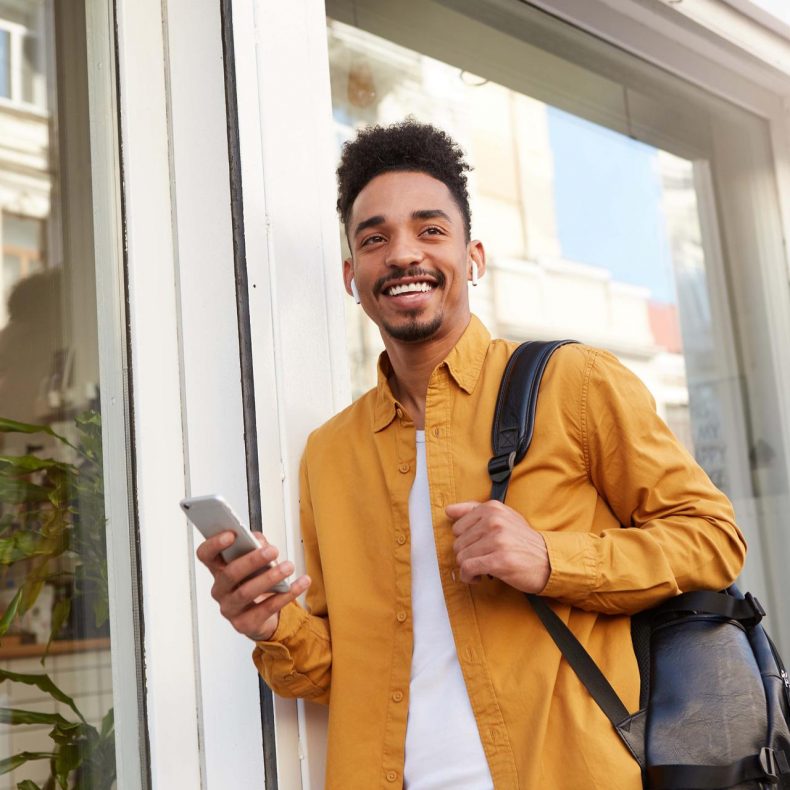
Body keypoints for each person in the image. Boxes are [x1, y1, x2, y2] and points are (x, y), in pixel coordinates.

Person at [197, 120, 746, 789]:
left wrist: (551, 559)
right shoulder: (330, 453)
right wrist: (268, 620)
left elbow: (713, 539)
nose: (402, 254)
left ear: (474, 257)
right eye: (375, 239)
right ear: (352, 275)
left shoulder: (574, 383)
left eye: (430, 230)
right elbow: (338, 673)